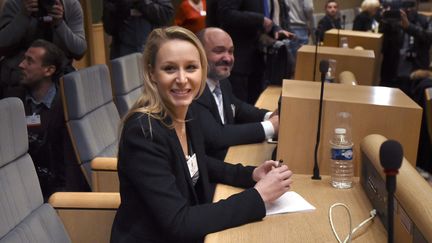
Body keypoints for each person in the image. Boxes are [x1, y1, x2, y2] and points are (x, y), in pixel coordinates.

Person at [110, 26, 293, 243]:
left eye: (190, 68)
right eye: (169, 69)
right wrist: (258, 196)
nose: (182, 78)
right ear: (152, 74)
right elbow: (178, 223)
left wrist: (251, 175)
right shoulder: (143, 131)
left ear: (202, 71)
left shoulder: (188, 113)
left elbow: (197, 163)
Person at [193, 27, 279, 160]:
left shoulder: (222, 82)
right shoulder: (192, 90)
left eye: (231, 51)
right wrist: (271, 127)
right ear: (198, 53)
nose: (228, 58)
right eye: (219, 51)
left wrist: (269, 116)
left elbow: (238, 108)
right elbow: (216, 136)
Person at [5, 39, 73, 200]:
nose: (21, 65)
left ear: (49, 70)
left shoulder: (66, 105)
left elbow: (68, 165)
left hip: (58, 192)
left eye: (30, 61)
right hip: (20, 189)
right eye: (24, 59)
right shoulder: (12, 101)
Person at [0, 0, 87, 98]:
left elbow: (79, 50)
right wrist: (23, 16)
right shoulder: (15, 4)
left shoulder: (70, 5)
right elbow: (2, 45)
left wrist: (60, 25)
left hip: (59, 80)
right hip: (18, 80)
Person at [217, 0, 294, 104]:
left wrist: (275, 29)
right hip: (238, 61)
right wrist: (260, 19)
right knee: (238, 109)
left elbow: (266, 17)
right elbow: (226, 13)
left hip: (258, 60)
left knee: (255, 104)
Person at [102, 0, 174, 59]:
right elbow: (109, 28)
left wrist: (141, 3)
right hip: (123, 53)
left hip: (153, 50)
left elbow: (167, 14)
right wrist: (119, 10)